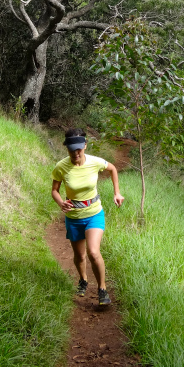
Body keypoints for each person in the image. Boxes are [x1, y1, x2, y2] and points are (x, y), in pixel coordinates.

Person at [51, 128, 124, 306]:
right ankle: (83, 280)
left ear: (85, 145)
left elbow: (113, 169)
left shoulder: (95, 162)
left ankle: (102, 289)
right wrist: (61, 202)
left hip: (94, 213)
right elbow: (54, 191)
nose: (75, 153)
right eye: (71, 149)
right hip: (74, 216)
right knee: (80, 256)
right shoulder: (61, 167)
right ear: (66, 147)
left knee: (93, 252)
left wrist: (117, 193)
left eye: (79, 149)